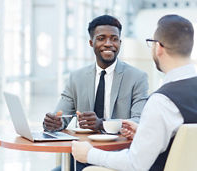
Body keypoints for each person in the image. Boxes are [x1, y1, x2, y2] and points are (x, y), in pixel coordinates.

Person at [72, 14, 197, 171]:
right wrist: (144, 132)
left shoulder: (162, 101)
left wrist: (89, 153)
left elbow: (135, 164)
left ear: (158, 47)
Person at [43, 15, 149, 171]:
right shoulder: (76, 77)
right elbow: (61, 116)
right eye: (101, 38)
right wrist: (53, 123)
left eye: (114, 39)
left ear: (120, 43)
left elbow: (138, 121)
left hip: (119, 157)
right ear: (91, 43)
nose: (108, 44)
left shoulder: (137, 78)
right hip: (82, 156)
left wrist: (103, 124)